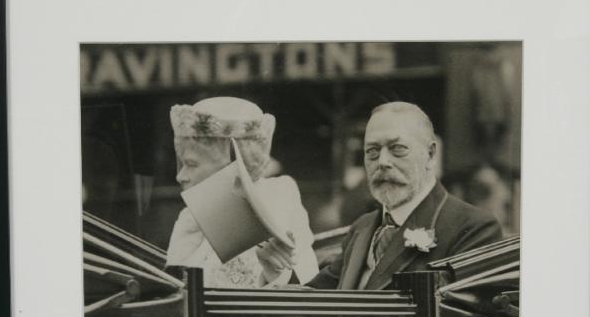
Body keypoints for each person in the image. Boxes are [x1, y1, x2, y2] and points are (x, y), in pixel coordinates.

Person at [257, 101, 502, 290]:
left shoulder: (472, 229)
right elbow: (318, 302)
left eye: (397, 149)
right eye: (372, 151)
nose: (382, 162)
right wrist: (275, 271)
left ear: (430, 154)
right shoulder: (361, 228)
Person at [166, 96, 318, 288]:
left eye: (191, 164)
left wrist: (273, 274)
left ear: (231, 167)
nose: (181, 176)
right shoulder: (192, 219)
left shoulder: (270, 209)